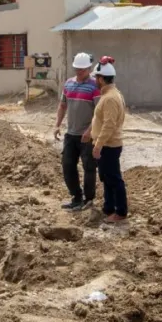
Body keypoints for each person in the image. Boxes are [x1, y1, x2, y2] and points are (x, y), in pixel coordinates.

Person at [53, 52, 100, 211]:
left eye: (82, 70)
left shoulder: (95, 86)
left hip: (87, 135)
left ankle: (88, 199)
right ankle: (76, 196)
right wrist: (57, 124)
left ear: (89, 68)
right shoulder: (68, 84)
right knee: (67, 165)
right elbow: (62, 106)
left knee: (89, 167)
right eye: (77, 69)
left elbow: (98, 113)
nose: (79, 72)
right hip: (71, 134)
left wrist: (90, 130)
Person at [90, 58, 128, 223]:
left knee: (113, 178)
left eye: (96, 78)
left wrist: (98, 145)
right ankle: (109, 207)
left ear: (100, 78)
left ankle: (120, 211)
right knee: (107, 178)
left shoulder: (110, 98)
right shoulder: (111, 94)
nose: (94, 81)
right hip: (107, 144)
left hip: (108, 145)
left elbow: (109, 125)